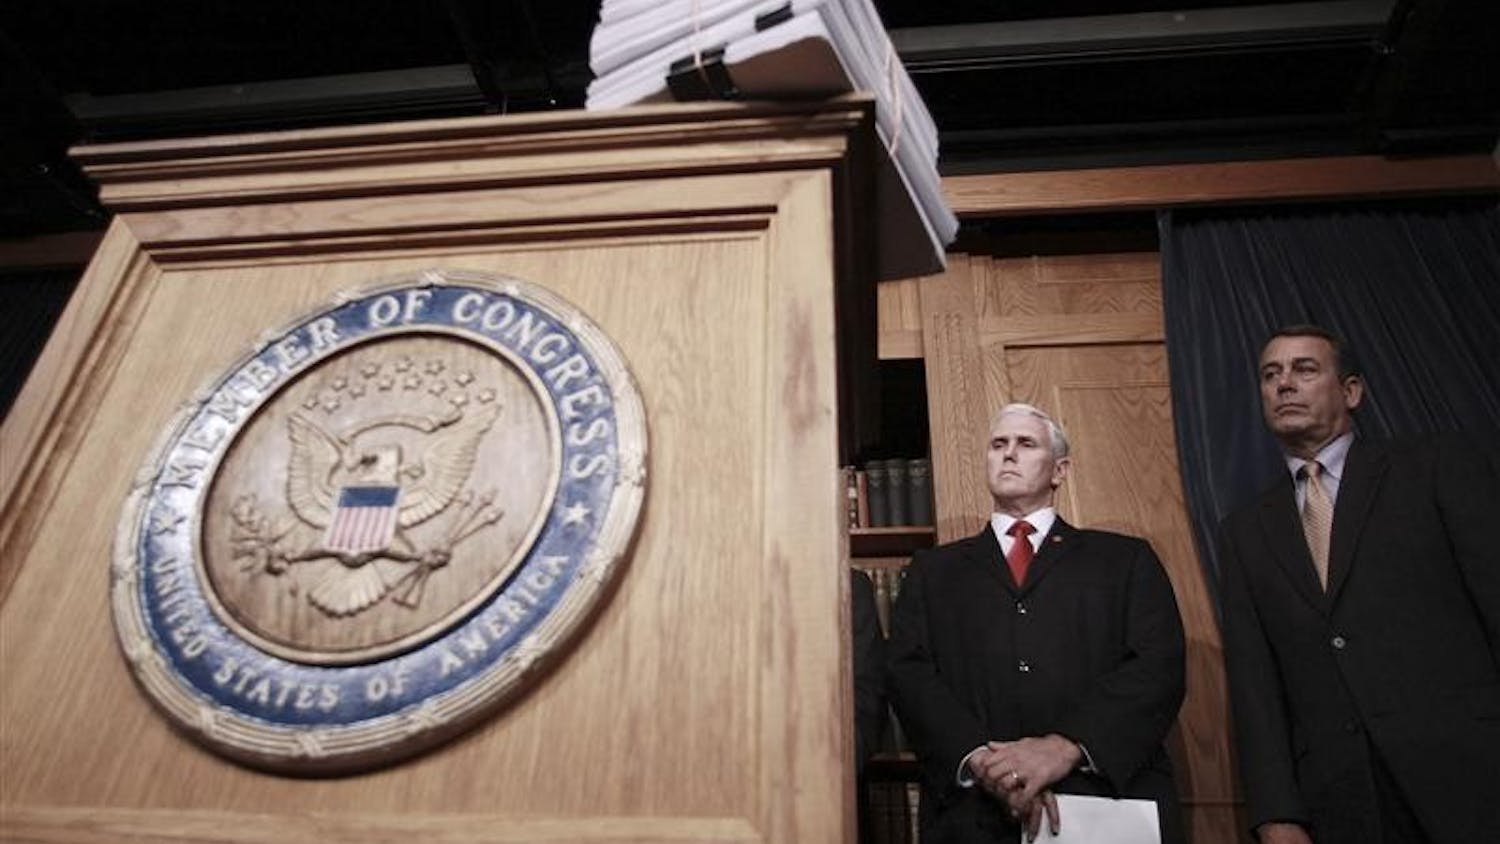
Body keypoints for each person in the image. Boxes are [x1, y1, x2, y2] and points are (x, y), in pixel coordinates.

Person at [1218, 325, 1500, 844]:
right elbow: (1255, 683)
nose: (1284, 385)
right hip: (1341, 800)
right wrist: (1277, 813)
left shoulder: (1435, 468)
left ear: (1351, 391)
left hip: (1472, 776)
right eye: (1270, 374)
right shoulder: (1245, 530)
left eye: (1304, 369)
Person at [887, 403, 1186, 844]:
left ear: (1059, 470)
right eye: (998, 444)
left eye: (1026, 444)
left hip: (1101, 804)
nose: (1008, 454)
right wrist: (983, 762)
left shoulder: (1124, 561)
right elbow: (907, 673)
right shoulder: (933, 570)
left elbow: (1158, 668)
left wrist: (1065, 748)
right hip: (973, 814)